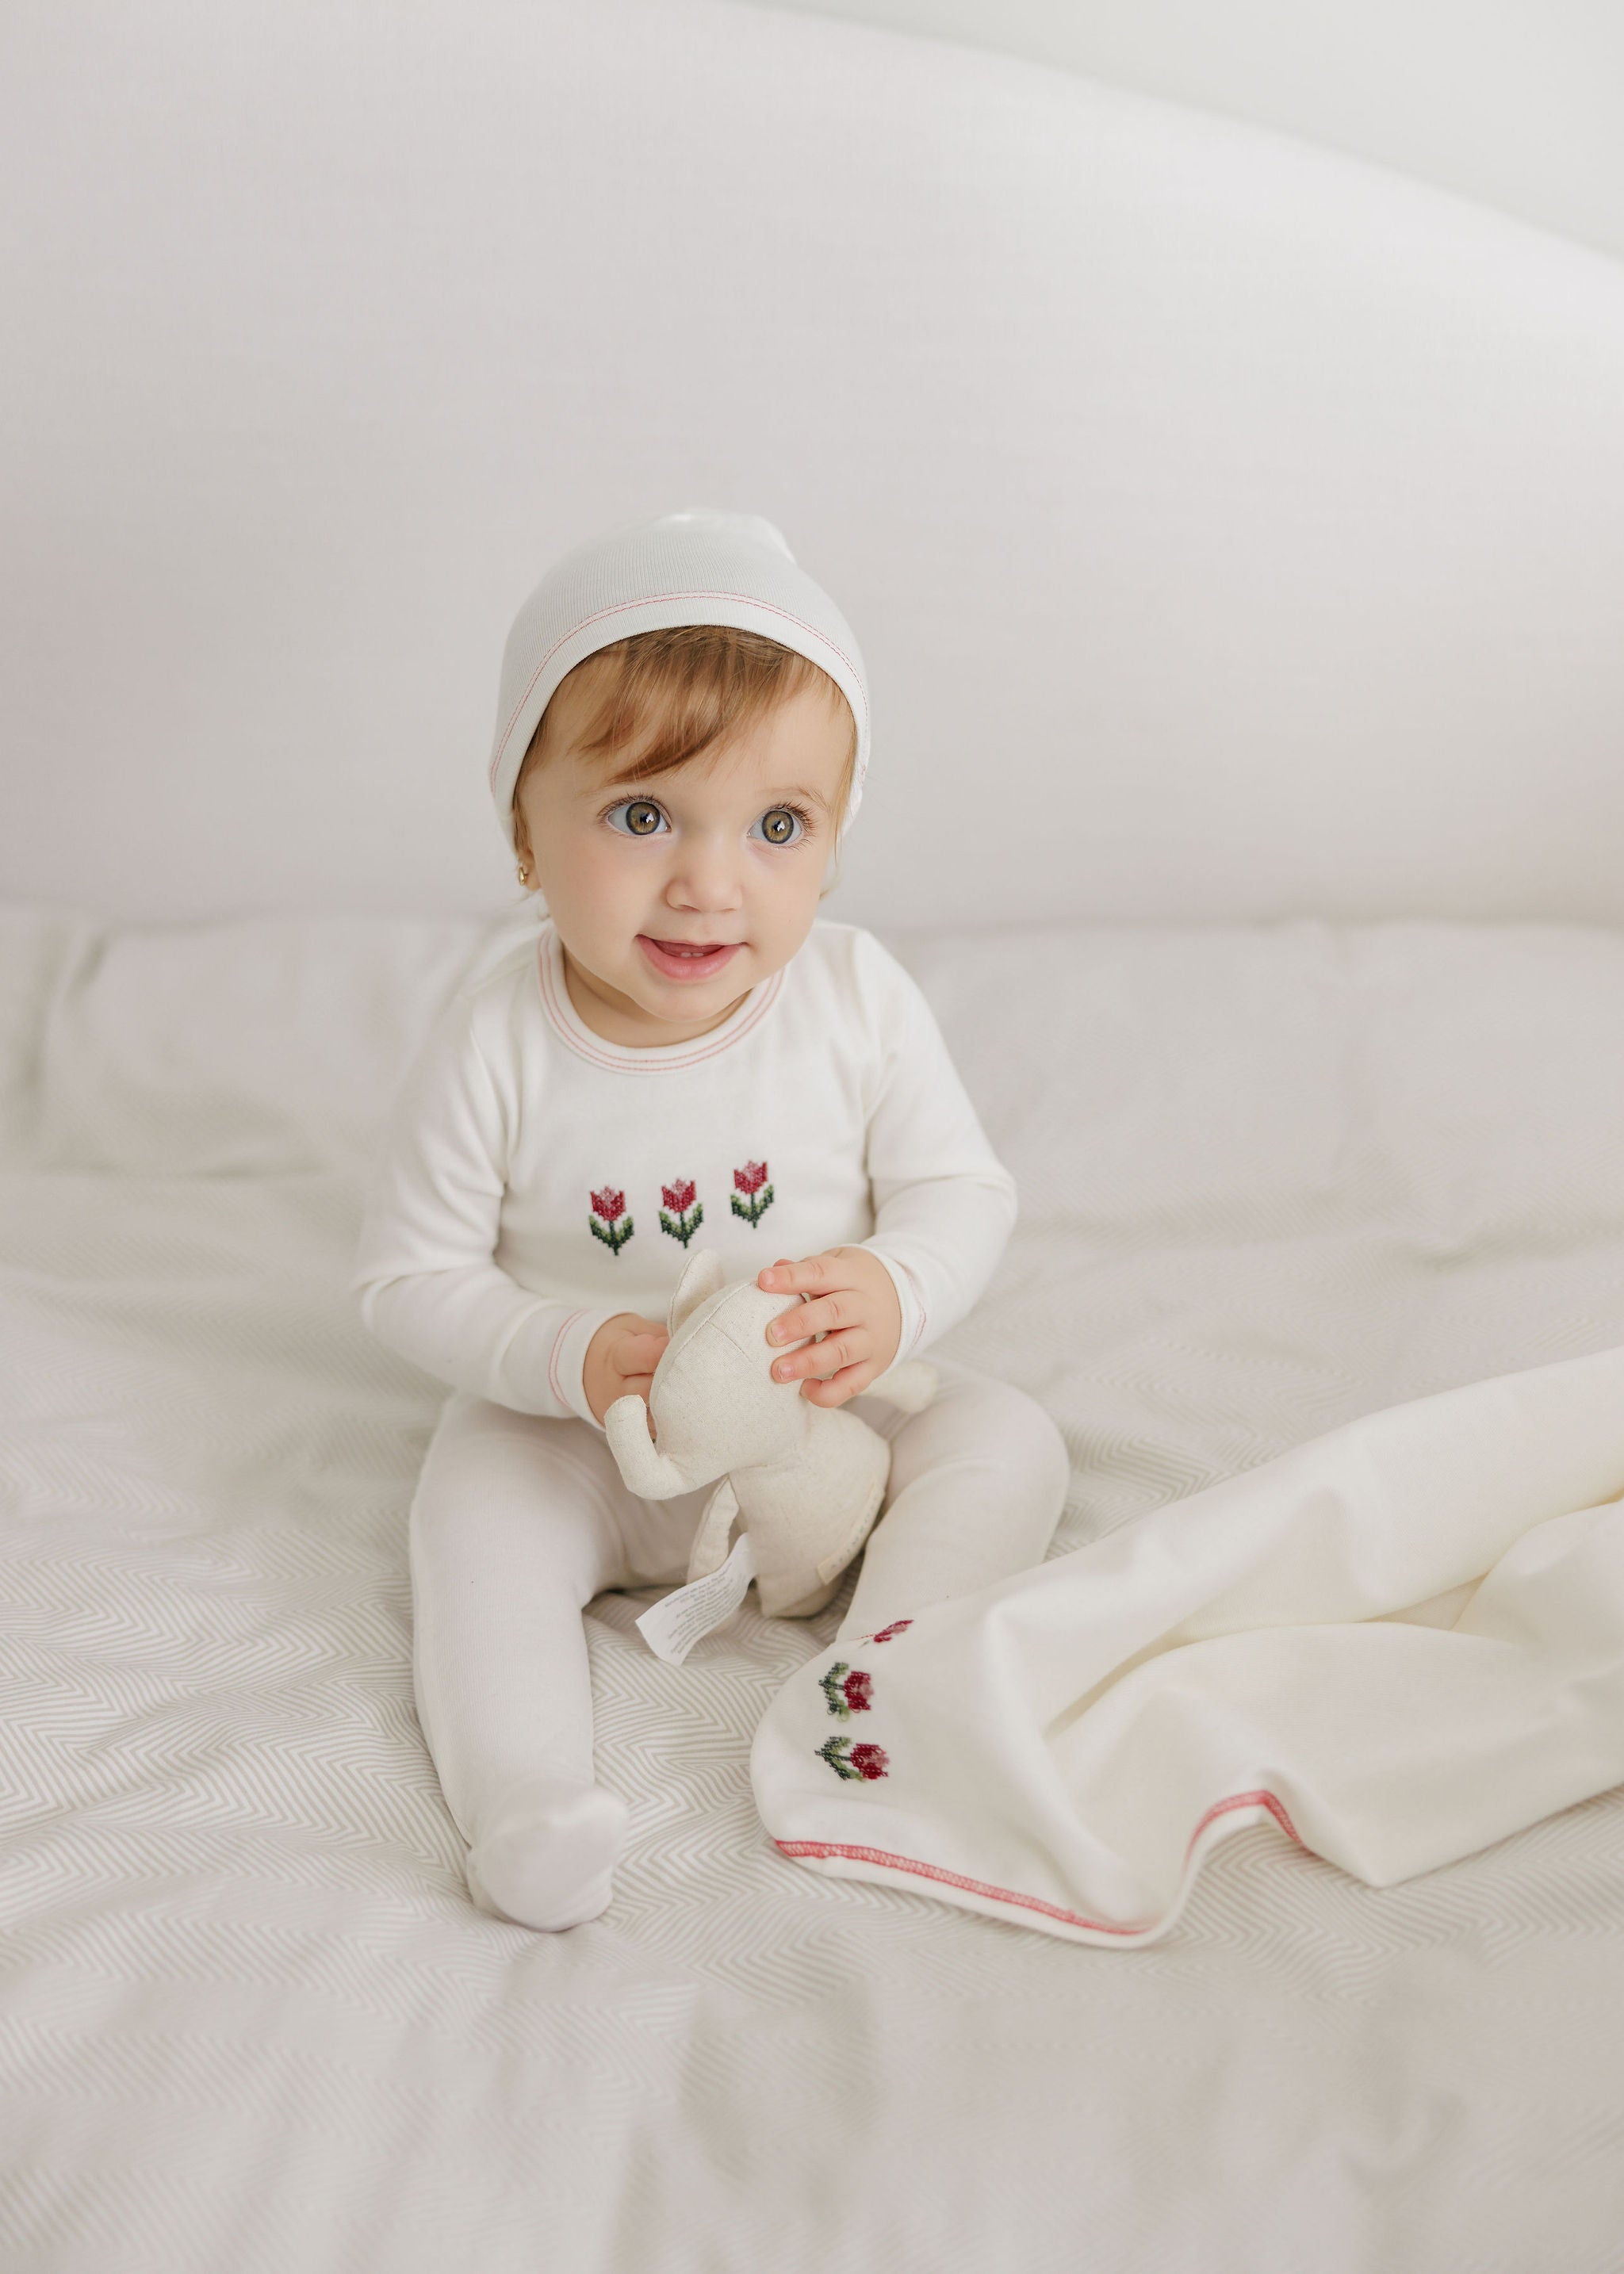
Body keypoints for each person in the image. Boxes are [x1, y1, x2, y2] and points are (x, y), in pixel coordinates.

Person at [353, 510, 1070, 1930]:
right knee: (474, 1513)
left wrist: (894, 1290)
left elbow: (961, 1192)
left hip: (825, 1419)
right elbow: (405, 1279)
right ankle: (528, 1803)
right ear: (523, 831)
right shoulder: (496, 1039)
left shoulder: (856, 1000)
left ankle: (882, 1693)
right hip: (593, 1439)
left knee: (1008, 1442)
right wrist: (566, 1354)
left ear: (834, 843)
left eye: (777, 826)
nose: (708, 881)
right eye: (641, 815)